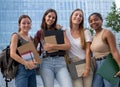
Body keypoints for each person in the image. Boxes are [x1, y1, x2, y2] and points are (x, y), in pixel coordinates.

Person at [34, 8, 72, 87]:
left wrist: (52, 46)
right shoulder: (39, 33)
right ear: (45, 17)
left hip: (60, 62)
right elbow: (34, 50)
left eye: (53, 17)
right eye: (49, 16)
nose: (51, 19)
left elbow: (68, 46)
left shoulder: (60, 31)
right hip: (46, 63)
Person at [88, 12, 120, 87]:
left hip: (108, 63)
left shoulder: (107, 33)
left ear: (101, 20)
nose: (93, 22)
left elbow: (114, 51)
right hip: (96, 65)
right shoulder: (93, 37)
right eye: (91, 21)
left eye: (96, 20)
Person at [65, 8, 93, 87]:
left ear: (82, 19)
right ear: (71, 17)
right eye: (76, 15)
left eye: (80, 16)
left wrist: (87, 68)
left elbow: (88, 51)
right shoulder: (65, 32)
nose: (78, 17)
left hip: (85, 63)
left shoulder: (86, 32)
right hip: (73, 63)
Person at [10, 15, 37, 87]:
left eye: (28, 23)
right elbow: (12, 54)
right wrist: (26, 63)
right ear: (19, 25)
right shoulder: (16, 36)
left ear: (31, 25)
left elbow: (32, 55)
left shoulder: (31, 38)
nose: (26, 25)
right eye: (24, 23)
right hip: (21, 70)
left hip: (32, 70)